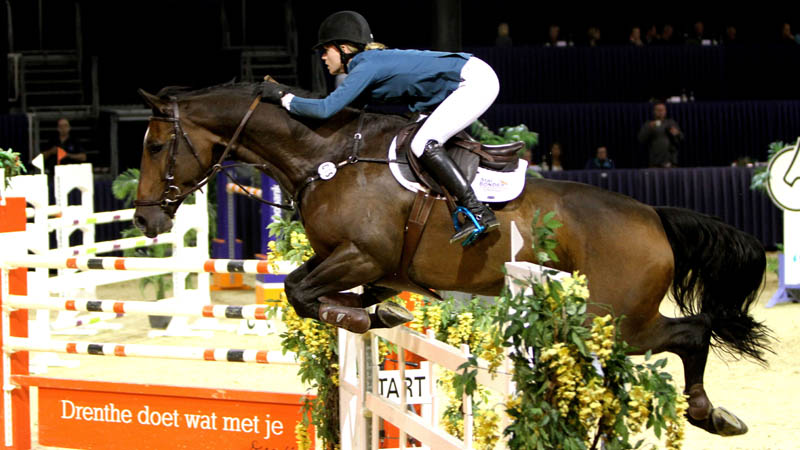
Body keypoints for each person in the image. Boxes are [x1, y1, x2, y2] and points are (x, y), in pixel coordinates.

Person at [259, 11, 499, 244]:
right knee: (413, 140)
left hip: (474, 82)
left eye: (326, 50)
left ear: (343, 49)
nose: (323, 57)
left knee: (422, 143)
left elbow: (324, 109)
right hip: (455, 87)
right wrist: (287, 98)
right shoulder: (366, 65)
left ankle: (477, 211)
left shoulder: (365, 65)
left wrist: (283, 97)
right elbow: (332, 110)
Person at [638, 101, 683, 168]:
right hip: (655, 161)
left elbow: (681, 138)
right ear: (654, 111)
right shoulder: (649, 124)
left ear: (665, 111)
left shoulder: (671, 123)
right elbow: (641, 139)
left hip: (670, 161)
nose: (660, 112)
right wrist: (649, 129)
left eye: (662, 110)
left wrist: (677, 133)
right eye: (658, 110)